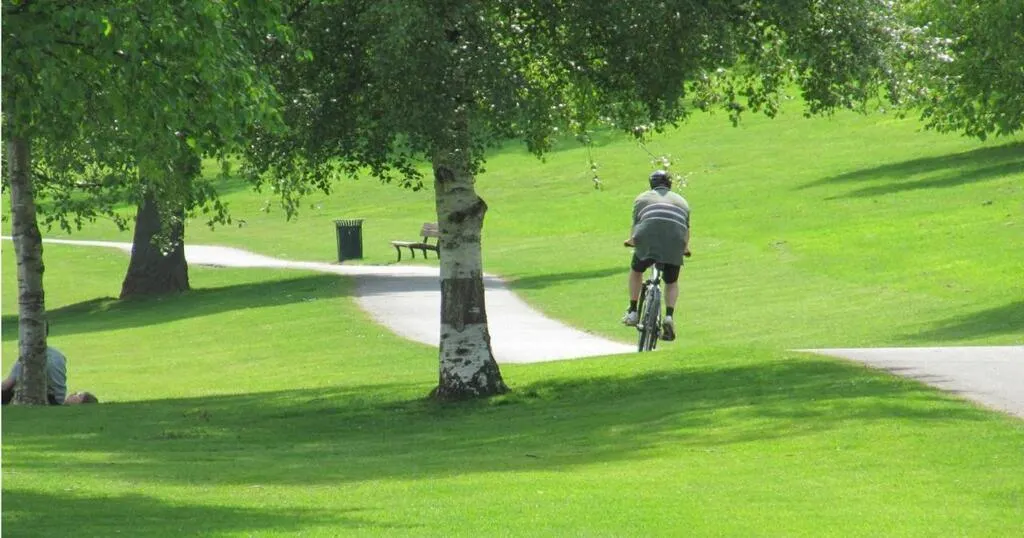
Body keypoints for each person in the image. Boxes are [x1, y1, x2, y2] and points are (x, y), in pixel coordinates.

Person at [622, 170, 691, 341]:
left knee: (636, 270)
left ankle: (632, 311)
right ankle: (669, 316)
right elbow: (685, 230)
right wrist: (685, 248)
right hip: (675, 241)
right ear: (670, 184)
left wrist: (632, 241)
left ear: (651, 184)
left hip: (647, 238)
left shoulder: (642, 198)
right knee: (672, 282)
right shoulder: (682, 201)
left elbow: (637, 224)